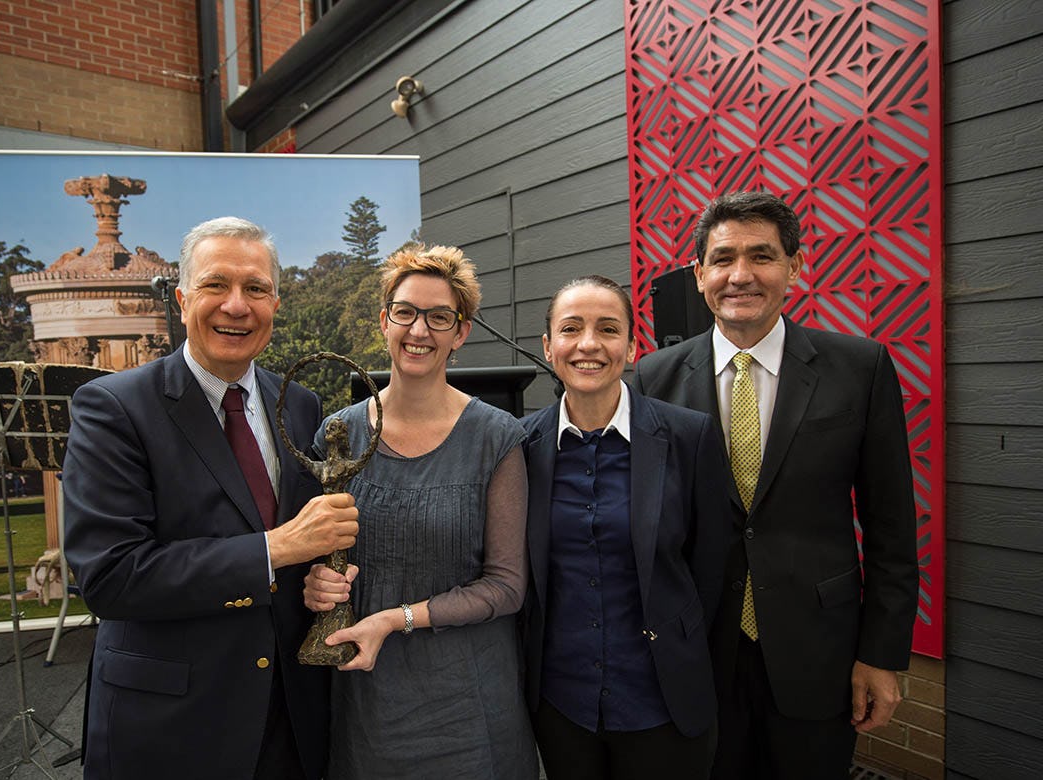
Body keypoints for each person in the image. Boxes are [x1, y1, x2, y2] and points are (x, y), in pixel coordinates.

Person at [632, 191, 919, 779]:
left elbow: (892, 526)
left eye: (761, 256)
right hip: (696, 653)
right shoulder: (652, 380)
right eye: (723, 259)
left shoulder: (860, 367)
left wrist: (881, 655)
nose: (740, 275)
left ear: (795, 265)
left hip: (819, 652)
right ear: (699, 274)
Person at [63, 216, 360, 780]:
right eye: (215, 284)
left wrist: (321, 577)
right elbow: (110, 577)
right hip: (171, 725)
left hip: (289, 720)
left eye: (255, 288)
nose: (236, 305)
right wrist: (277, 549)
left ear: (275, 304)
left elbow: (301, 547)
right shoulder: (114, 408)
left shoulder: (299, 405)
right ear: (182, 300)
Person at [303, 245, 537, 779]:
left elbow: (506, 586)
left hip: (468, 702)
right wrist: (315, 584)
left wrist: (395, 618)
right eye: (405, 312)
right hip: (368, 699)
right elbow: (312, 551)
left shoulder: (496, 437)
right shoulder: (338, 434)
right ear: (384, 321)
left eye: (439, 317)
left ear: (461, 332)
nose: (419, 330)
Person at [520, 275, 732, 779]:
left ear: (632, 347)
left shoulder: (689, 436)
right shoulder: (520, 446)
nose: (589, 344)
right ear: (548, 347)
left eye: (608, 329)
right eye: (571, 329)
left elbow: (712, 571)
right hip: (562, 705)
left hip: (663, 703)